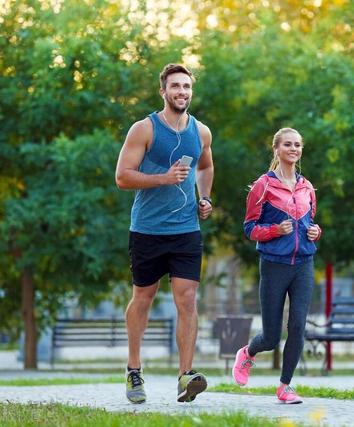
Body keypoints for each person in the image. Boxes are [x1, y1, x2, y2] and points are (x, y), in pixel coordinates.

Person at [115, 63, 214, 404]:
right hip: (147, 230)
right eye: (175, 86)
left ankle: (185, 376)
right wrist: (163, 178)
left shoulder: (201, 132)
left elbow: (205, 166)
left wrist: (205, 198)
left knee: (187, 299)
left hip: (187, 229)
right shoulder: (144, 129)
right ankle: (134, 370)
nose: (182, 92)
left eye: (186, 86)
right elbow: (123, 177)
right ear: (163, 91)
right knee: (143, 297)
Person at [233, 127, 321, 404]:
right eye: (287, 144)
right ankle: (247, 353)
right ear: (277, 149)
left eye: (297, 144)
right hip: (274, 265)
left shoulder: (307, 187)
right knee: (271, 336)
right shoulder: (264, 186)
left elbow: (310, 223)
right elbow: (249, 228)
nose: (293, 149)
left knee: (297, 326)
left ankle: (285, 386)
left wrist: (316, 232)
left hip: (303, 265)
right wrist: (273, 230)